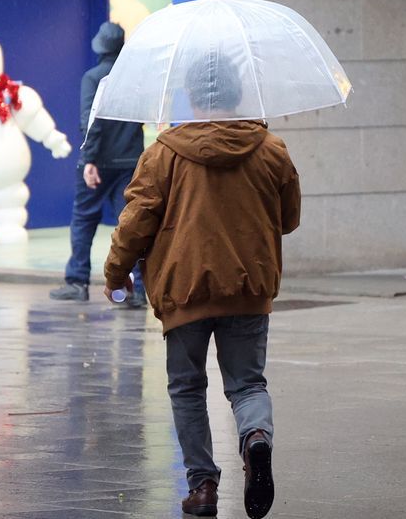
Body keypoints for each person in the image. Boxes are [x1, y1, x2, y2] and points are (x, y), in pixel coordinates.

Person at [103, 55, 301, 519]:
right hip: (248, 287)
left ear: (189, 96)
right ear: (237, 95)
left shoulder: (163, 153)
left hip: (184, 290)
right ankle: (255, 438)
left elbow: (136, 223)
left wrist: (116, 274)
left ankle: (204, 487)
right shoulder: (271, 149)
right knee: (248, 384)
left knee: (188, 389)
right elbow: (289, 219)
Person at [49, 22, 147, 305]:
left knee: (83, 220)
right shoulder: (135, 78)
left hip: (99, 161)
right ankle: (138, 290)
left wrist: (89, 159)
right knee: (130, 225)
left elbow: (91, 121)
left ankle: (77, 282)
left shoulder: (93, 78)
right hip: (130, 161)